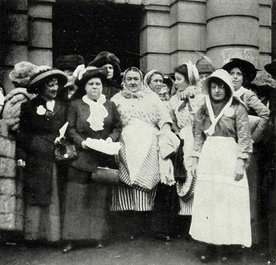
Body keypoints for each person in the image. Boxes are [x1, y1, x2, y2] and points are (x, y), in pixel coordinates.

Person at [189, 69, 252, 262]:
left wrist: (241, 162)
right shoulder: (203, 108)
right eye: (213, 86)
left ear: (227, 88)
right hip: (209, 155)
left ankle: (229, 245)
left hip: (229, 155)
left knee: (230, 200)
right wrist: (195, 158)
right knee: (210, 200)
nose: (217, 90)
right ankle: (210, 245)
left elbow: (244, 136)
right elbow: (198, 135)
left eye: (221, 87)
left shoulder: (238, 107)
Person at [61, 67, 122, 253]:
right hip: (81, 157)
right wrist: (83, 143)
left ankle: (97, 237)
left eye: (98, 84)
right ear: (85, 87)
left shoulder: (110, 105)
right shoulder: (76, 105)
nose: (95, 87)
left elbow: (117, 126)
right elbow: (70, 129)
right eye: (91, 84)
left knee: (99, 198)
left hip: (102, 157)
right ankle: (70, 240)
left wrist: (111, 138)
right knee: (75, 199)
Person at [110, 67, 172, 240]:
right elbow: (111, 122)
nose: (132, 82)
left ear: (141, 80)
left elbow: (164, 118)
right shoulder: (115, 99)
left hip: (148, 143)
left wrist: (165, 133)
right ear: (124, 81)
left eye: (136, 79)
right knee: (126, 181)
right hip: (125, 144)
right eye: (129, 79)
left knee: (146, 181)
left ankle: (145, 226)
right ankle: (128, 228)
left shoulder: (152, 98)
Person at [17, 67, 68, 244]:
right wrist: (21, 155)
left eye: (56, 84)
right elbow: (23, 132)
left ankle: (53, 236)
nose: (54, 88)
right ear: (40, 87)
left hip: (58, 154)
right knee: (36, 193)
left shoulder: (64, 105)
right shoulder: (29, 106)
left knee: (55, 192)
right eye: (50, 85)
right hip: (37, 154)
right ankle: (33, 236)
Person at [223, 58, 270, 245]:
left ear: (244, 78)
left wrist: (252, 138)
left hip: (244, 151)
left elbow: (265, 115)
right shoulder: (223, 94)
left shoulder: (247, 95)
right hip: (226, 149)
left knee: (246, 192)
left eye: (239, 74)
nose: (235, 77)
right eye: (232, 74)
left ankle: (247, 239)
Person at [144, 69, 179, 241]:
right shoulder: (145, 98)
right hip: (152, 142)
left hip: (166, 143)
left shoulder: (166, 99)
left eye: (160, 81)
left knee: (167, 182)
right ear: (148, 83)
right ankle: (153, 225)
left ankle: (165, 226)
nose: (158, 84)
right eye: (154, 81)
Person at [169, 62, 202, 239]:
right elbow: (171, 118)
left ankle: (198, 224)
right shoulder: (174, 100)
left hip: (197, 140)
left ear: (189, 80)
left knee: (196, 177)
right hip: (182, 140)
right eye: (175, 79)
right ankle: (184, 223)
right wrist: (176, 132)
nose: (176, 82)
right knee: (182, 178)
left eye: (179, 79)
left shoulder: (201, 97)